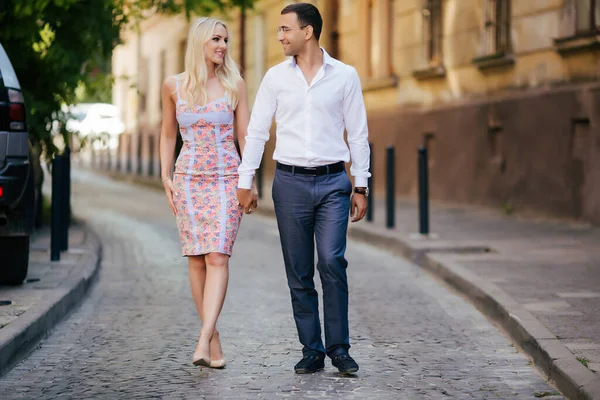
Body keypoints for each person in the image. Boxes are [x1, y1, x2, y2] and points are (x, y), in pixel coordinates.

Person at [237, 3, 370, 375]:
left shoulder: (344, 76)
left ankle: (339, 348)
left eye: (285, 30)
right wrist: (243, 182)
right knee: (298, 271)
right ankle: (312, 349)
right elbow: (257, 132)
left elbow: (358, 134)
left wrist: (361, 185)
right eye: (279, 30)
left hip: (332, 183)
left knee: (331, 260)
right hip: (290, 183)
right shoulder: (276, 78)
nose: (280, 36)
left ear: (307, 32)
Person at [159, 16, 257, 369]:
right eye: (216, 39)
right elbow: (168, 133)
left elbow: (245, 135)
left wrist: (250, 179)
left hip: (227, 178)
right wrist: (165, 176)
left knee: (218, 256)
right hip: (187, 180)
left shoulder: (235, 84)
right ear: (200, 42)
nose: (223, 46)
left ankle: (201, 337)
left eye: (226, 40)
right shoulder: (173, 85)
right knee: (197, 259)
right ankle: (213, 338)